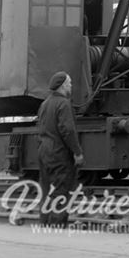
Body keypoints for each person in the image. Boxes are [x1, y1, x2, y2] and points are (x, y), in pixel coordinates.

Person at [36, 72, 84, 226]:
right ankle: (57, 224)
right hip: (59, 151)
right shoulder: (63, 104)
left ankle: (44, 222)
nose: (71, 86)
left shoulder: (44, 104)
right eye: (69, 83)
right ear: (62, 85)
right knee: (62, 188)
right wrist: (77, 152)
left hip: (44, 150)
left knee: (46, 188)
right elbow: (67, 130)